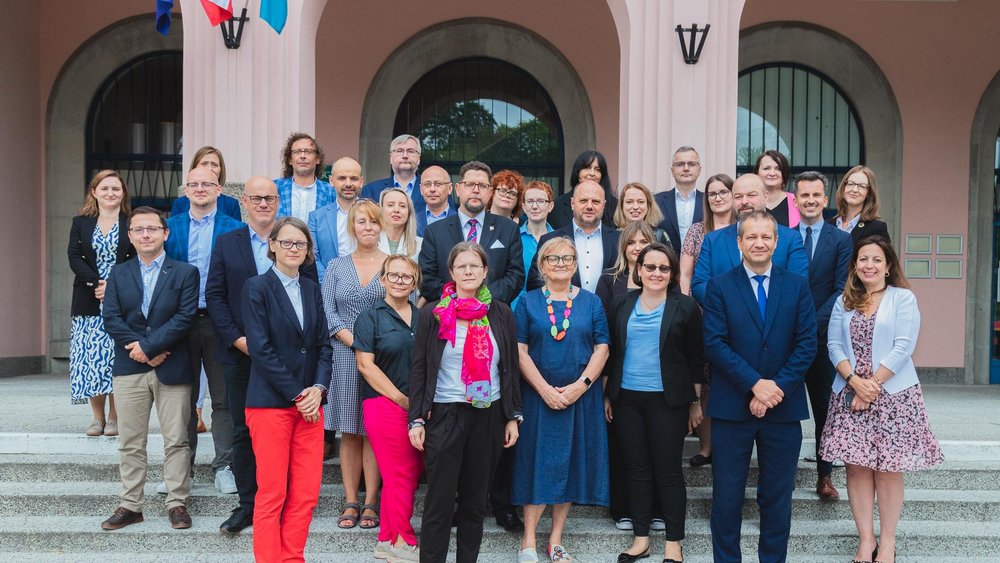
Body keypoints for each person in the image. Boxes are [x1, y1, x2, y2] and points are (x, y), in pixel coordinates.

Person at [205, 176, 319, 535]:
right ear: (245, 202)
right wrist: (240, 340)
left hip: (289, 359)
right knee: (243, 431)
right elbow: (216, 296)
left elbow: (309, 303)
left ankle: (280, 505)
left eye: (270, 197)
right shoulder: (227, 242)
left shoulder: (294, 241)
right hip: (241, 353)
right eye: (256, 197)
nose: (263, 203)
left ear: (277, 202)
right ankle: (248, 505)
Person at [702, 210, 817, 563]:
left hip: (783, 410)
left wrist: (774, 389)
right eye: (751, 237)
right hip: (731, 409)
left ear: (776, 241)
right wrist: (754, 385)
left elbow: (807, 343)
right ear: (739, 242)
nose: (759, 243)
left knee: (778, 498)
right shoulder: (720, 286)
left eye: (766, 236)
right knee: (727, 496)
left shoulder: (796, 285)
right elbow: (715, 343)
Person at [820, 236, 943, 563]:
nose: (869, 265)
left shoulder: (903, 298)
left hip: (893, 397)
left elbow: (904, 346)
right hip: (849, 393)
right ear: (855, 265)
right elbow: (834, 346)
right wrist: (854, 382)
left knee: (888, 469)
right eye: (863, 259)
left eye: (876, 260)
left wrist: (871, 385)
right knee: (857, 469)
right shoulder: (843, 301)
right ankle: (865, 540)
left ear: (888, 266)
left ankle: (887, 542)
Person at [408, 242, 522, 563]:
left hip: (488, 416)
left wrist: (512, 415)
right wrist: (416, 419)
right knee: (439, 503)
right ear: (452, 272)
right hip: (445, 413)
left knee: (474, 503)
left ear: (485, 272)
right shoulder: (434, 313)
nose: (468, 271)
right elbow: (419, 368)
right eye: (462, 266)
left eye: (475, 266)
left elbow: (510, 366)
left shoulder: (501, 313)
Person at [100, 206, 199, 531]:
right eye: (139, 230)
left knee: (176, 440)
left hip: (173, 364)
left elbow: (185, 317)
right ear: (130, 236)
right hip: (129, 368)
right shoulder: (118, 273)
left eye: (152, 229)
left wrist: (151, 347)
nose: (146, 235)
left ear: (165, 233)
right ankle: (131, 505)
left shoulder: (185, 272)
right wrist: (142, 350)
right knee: (131, 440)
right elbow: (112, 318)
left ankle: (177, 503)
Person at [512, 238, 610, 563]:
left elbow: (602, 348)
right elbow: (519, 351)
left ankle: (555, 540)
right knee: (536, 464)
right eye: (553, 258)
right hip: (537, 396)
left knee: (569, 464)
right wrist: (544, 390)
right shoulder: (527, 302)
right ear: (541, 265)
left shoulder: (592, 302)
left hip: (579, 397)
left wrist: (580, 386)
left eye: (567, 258)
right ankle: (528, 541)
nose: (561, 263)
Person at [605, 243, 704, 563]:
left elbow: (695, 359)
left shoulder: (685, 307)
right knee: (636, 470)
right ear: (639, 269)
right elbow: (612, 353)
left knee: (668, 471)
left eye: (664, 268)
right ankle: (641, 538)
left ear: (673, 273)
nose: (656, 273)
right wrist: (609, 394)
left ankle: (674, 542)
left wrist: (695, 402)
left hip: (669, 401)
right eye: (650, 267)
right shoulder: (622, 304)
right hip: (627, 400)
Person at [241, 216, 332, 562]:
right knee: (272, 494)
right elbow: (261, 349)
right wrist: (299, 394)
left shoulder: (311, 287)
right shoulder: (256, 288)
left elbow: (324, 345)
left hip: (311, 404)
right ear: (273, 245)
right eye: (288, 242)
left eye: (302, 244)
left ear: (308, 251)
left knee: (306, 494)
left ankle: (292, 558)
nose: (295, 249)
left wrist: (318, 390)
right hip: (271, 405)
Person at [164, 166, 244, 494]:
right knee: (182, 397)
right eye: (194, 184)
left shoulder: (235, 228)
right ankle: (184, 469)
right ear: (185, 191)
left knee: (223, 397)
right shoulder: (170, 228)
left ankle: (224, 466)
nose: (200, 189)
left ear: (219, 189)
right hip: (180, 322)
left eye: (207, 184)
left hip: (219, 320)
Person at [322, 199, 387, 530]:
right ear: (352, 226)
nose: (368, 227)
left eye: (374, 222)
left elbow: (401, 309)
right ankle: (350, 499)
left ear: (382, 226)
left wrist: (374, 347)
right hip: (345, 357)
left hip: (382, 361)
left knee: (374, 431)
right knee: (349, 430)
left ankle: (372, 502)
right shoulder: (335, 266)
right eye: (361, 221)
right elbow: (328, 312)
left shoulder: (393, 265)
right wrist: (357, 343)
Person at [354, 255, 424, 563]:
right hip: (384, 404)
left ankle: (385, 539)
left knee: (408, 474)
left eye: (406, 277)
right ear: (382, 279)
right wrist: (400, 399)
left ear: (414, 283)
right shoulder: (370, 317)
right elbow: (365, 366)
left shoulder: (423, 317)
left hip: (416, 406)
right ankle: (402, 540)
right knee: (399, 475)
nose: (399, 281)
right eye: (393, 276)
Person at [793, 171, 852, 500]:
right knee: (782, 407)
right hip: (785, 339)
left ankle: (825, 475)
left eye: (817, 195)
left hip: (822, 337)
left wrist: (811, 323)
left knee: (825, 408)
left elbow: (841, 289)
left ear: (825, 200)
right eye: (804, 195)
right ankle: (780, 473)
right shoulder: (784, 237)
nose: (811, 201)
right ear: (796, 199)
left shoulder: (841, 240)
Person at [68, 170, 134, 436]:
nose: (110, 193)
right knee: (92, 359)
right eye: (105, 188)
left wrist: (113, 286)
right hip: (88, 300)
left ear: (123, 194)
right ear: (94, 192)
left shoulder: (131, 222)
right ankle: (97, 419)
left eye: (116, 189)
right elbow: (74, 256)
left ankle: (115, 418)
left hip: (123, 298)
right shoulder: (80, 223)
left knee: (116, 357)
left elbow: (135, 257)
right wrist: (96, 283)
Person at [678, 173, 736, 467]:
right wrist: (689, 307)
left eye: (723, 192)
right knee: (703, 379)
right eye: (712, 194)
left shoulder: (744, 230)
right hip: (701, 312)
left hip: (738, 317)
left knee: (727, 379)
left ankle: (728, 445)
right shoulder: (697, 231)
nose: (717, 198)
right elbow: (686, 274)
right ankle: (705, 447)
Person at [691, 173, 808, 304]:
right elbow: (699, 285)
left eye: (751, 195)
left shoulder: (790, 238)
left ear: (765, 196)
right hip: (726, 321)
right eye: (738, 196)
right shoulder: (713, 241)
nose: (744, 201)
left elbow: (797, 284)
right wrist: (733, 304)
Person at [419, 161, 524, 305]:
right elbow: (427, 279)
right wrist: (458, 300)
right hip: (448, 317)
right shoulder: (435, 232)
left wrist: (481, 299)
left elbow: (515, 277)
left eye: (482, 186)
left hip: (493, 314)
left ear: (490, 191)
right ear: (457, 189)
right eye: (469, 184)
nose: (476, 190)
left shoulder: (508, 229)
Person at [528, 180, 621, 295]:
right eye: (583, 201)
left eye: (596, 201)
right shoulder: (550, 240)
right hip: (560, 311)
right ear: (572, 204)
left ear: (604, 206)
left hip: (607, 312)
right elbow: (535, 283)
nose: (589, 206)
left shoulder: (619, 240)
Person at [308, 156, 365, 281]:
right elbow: (313, 257)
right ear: (331, 181)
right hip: (329, 288)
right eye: (342, 178)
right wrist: (331, 284)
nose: (348, 184)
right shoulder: (317, 218)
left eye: (354, 179)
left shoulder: (375, 215)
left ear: (361, 181)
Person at [548, 150, 618, 229]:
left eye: (597, 169)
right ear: (577, 173)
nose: (592, 173)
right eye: (587, 168)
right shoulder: (558, 205)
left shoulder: (614, 205)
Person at [654, 146, 705, 255]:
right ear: (672, 171)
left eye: (691, 164)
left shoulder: (709, 201)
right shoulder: (656, 201)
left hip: (702, 268)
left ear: (699, 170)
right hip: (665, 268)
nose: (686, 168)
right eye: (680, 164)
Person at [596, 221, 654, 314]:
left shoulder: (664, 276)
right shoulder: (608, 278)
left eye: (644, 242)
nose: (638, 248)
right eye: (631, 243)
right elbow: (601, 318)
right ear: (623, 247)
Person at [170, 146, 242, 221]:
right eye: (204, 164)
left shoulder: (231, 205)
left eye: (214, 165)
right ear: (195, 167)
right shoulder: (180, 204)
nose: (209, 168)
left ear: (221, 170)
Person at [275, 132, 335, 221]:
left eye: (308, 152)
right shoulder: (275, 188)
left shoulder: (331, 192)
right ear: (290, 160)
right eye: (297, 152)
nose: (302, 156)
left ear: (317, 159)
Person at [514, 180, 555, 308]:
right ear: (524, 207)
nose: (535, 206)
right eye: (530, 201)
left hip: (552, 308)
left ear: (550, 206)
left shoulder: (559, 240)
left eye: (541, 201)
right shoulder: (513, 238)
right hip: (518, 307)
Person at [828, 165, 892, 244]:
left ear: (869, 193)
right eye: (850, 184)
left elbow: (887, 256)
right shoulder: (827, 225)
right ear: (844, 187)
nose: (854, 190)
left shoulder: (876, 228)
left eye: (862, 186)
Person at [361, 134, 424, 212]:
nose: (405, 156)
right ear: (390, 158)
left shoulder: (429, 188)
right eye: (399, 151)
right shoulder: (371, 191)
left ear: (419, 159)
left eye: (410, 151)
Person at [614, 181, 670, 246]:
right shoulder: (613, 235)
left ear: (648, 207)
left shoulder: (660, 235)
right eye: (629, 202)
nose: (635, 207)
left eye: (641, 202)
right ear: (621, 207)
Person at [756, 150, 799, 228]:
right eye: (766, 168)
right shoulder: (748, 201)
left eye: (778, 169)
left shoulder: (797, 201)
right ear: (757, 173)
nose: (772, 173)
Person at [378, 187, 423, 260]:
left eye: (402, 206)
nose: (396, 210)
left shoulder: (421, 245)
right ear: (381, 210)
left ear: (409, 212)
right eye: (390, 205)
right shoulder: (371, 242)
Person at [415, 165, 458, 237]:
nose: (432, 189)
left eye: (438, 184)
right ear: (421, 190)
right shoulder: (411, 221)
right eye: (427, 184)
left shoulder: (460, 221)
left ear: (450, 188)